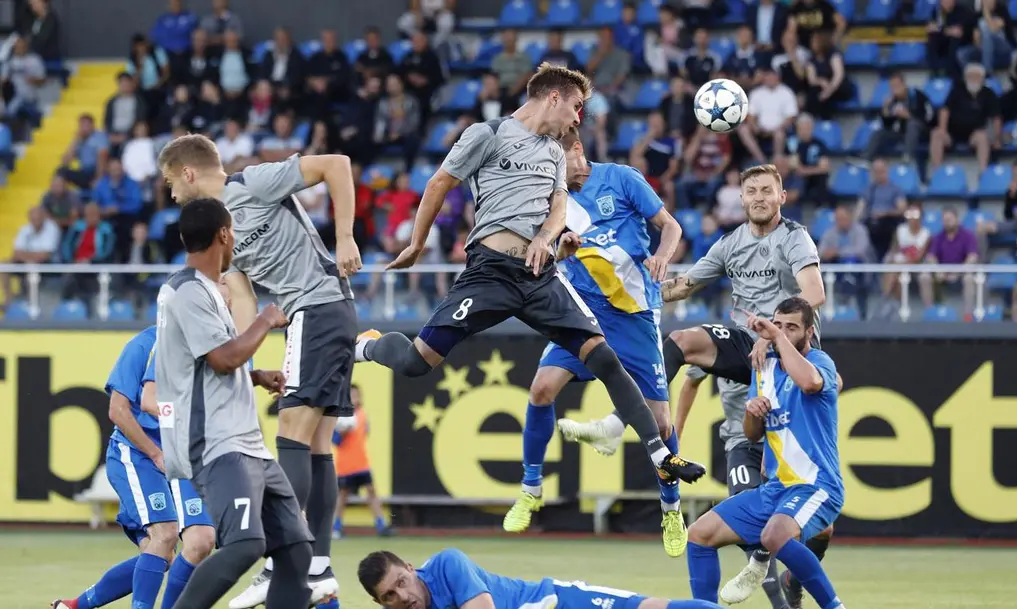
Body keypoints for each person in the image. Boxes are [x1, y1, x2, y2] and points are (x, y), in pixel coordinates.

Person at [354, 63, 704, 486]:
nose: (578, 119)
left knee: (604, 357)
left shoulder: (554, 152)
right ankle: (367, 346)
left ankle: (661, 454)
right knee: (416, 361)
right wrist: (416, 244)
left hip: (539, 275)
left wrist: (545, 237)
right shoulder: (488, 134)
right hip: (490, 273)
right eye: (576, 107)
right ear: (553, 97)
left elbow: (558, 207)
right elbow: (438, 184)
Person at [557, 164, 830, 600]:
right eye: (751, 191)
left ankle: (788, 579)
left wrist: (774, 332)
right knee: (682, 343)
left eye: (767, 190)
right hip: (748, 390)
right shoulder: (730, 244)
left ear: (782, 197)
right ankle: (618, 422)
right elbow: (682, 286)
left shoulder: (794, 238)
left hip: (786, 366)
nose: (759, 198)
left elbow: (814, 295)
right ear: (741, 200)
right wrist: (634, 285)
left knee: (817, 529)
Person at [157, 133, 361, 609]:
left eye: (170, 182)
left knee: (291, 432)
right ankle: (316, 566)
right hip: (314, 313)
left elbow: (336, 163)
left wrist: (345, 236)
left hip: (317, 305)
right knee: (316, 441)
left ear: (188, 172)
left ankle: (280, 562)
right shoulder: (224, 231)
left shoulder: (252, 183)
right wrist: (244, 364)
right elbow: (245, 299)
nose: (172, 193)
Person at [502, 126, 694, 557]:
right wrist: (562, 252)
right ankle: (531, 488)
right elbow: (543, 260)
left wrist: (662, 256)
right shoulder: (552, 201)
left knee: (661, 425)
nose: (553, 172)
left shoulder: (621, 179)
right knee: (541, 389)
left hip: (634, 314)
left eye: (557, 161)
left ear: (577, 149)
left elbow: (670, 226)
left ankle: (671, 508)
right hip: (584, 314)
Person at [153, 197, 312, 609]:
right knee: (245, 544)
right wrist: (265, 320)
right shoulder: (187, 291)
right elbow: (222, 359)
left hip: (248, 445)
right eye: (234, 231)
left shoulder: (203, 289)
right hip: (218, 445)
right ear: (224, 234)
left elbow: (205, 364)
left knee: (296, 549)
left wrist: (255, 376)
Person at [685, 297, 845, 609]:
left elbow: (810, 383)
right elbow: (752, 434)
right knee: (699, 534)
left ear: (809, 332)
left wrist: (775, 336)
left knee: (774, 536)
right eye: (778, 324)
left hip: (817, 485)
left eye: (791, 327)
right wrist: (752, 411)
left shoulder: (819, 362)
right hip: (775, 488)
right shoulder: (765, 368)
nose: (782, 331)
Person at [51, 327, 216, 609]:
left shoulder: (211, 341)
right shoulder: (143, 345)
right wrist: (155, 453)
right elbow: (118, 410)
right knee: (165, 534)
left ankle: (75, 606)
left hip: (182, 458)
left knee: (177, 549)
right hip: (137, 455)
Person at [675, 367, 789, 609]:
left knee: (817, 530)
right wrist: (675, 438)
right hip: (741, 445)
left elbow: (827, 379)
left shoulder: (783, 347)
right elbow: (690, 381)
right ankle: (780, 604)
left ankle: (791, 583)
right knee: (748, 516)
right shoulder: (715, 346)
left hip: (785, 444)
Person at [357, 548, 722, 609]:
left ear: (410, 568)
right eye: (388, 596)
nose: (402, 597)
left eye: (401, 582)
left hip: (555, 601)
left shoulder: (447, 563)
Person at [332, 383, 392, 538]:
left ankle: (381, 525)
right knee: (342, 495)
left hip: (361, 462)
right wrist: (342, 432)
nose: (355, 398)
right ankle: (336, 527)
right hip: (346, 464)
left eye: (357, 395)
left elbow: (365, 434)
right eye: (352, 395)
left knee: (371, 491)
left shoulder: (362, 414)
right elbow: (335, 440)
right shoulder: (341, 416)